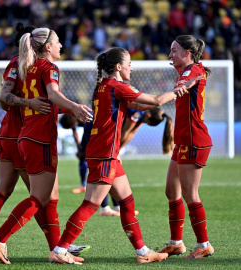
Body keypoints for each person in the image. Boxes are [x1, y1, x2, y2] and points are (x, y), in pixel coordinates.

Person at [48, 47, 203, 265]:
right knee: (91, 204)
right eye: (129, 63)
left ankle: (143, 252)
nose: (132, 66)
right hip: (105, 154)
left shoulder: (105, 86)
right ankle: (60, 249)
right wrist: (183, 87)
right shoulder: (116, 86)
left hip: (106, 153)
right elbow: (157, 101)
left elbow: (140, 104)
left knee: (127, 202)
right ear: (118, 67)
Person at [0, 23, 90, 263]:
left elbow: (35, 100)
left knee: (4, 191)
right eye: (56, 41)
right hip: (22, 134)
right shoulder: (28, 65)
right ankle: (55, 247)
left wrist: (57, 110)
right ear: (43, 45)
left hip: (13, 133)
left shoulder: (22, 65)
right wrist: (36, 104)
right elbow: (6, 98)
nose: (61, 45)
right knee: (43, 196)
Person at [158, 35, 214, 259]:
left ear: (187, 53)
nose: (170, 55)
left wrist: (154, 100)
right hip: (182, 140)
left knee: (190, 194)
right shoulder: (185, 72)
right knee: (172, 191)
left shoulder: (193, 71)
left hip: (194, 140)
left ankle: (204, 244)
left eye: (174, 50)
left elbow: (193, 80)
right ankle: (176, 243)